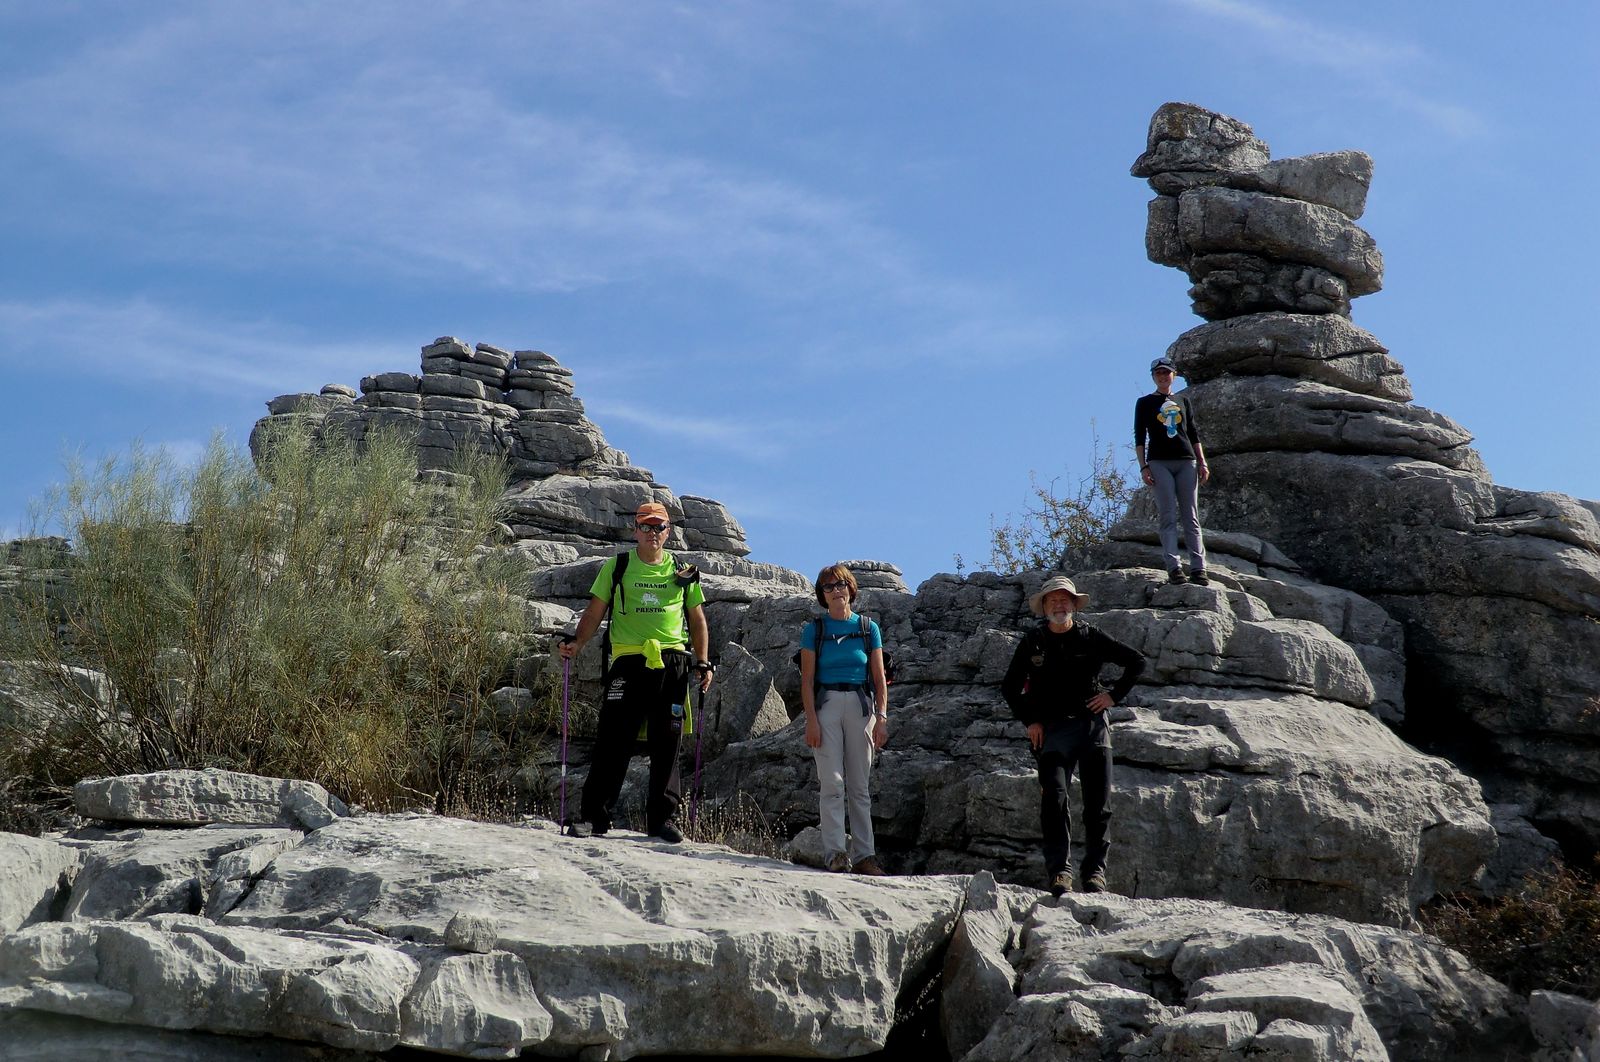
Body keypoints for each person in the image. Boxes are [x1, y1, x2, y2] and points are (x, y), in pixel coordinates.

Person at [560, 501, 714, 844]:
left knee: (667, 743)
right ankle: (593, 818)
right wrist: (577, 643)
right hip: (629, 662)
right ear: (635, 530)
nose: (652, 533)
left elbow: (698, 620)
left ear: (668, 532)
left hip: (672, 663)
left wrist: (702, 662)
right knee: (613, 739)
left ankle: (662, 821)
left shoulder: (683, 571)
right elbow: (595, 610)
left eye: (659, 527)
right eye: (646, 526)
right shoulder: (618, 567)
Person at [1001, 574, 1144, 897]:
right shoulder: (1032, 641)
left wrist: (1113, 696)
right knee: (1054, 798)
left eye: (1065, 600)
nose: (1060, 605)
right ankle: (1059, 873)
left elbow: (1136, 662)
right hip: (1051, 730)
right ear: (1044, 607)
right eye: (1053, 600)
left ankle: (1095, 873)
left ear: (1075, 605)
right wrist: (1031, 721)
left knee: (1098, 805)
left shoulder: (1090, 636)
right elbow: (1009, 687)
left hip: (1091, 726)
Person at [799, 563, 890, 876]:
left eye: (841, 585)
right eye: (829, 587)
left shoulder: (868, 628)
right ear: (822, 595)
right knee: (832, 783)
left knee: (860, 787)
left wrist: (882, 717)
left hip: (861, 707)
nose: (836, 590)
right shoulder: (815, 629)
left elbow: (879, 678)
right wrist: (810, 720)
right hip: (827, 706)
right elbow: (807, 680)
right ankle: (836, 855)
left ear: (851, 589)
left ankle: (865, 857)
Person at [1134, 355, 1211, 586]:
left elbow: (1193, 434)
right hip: (1158, 462)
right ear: (1153, 377)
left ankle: (1199, 568)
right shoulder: (1145, 402)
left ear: (1173, 375)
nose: (1163, 376)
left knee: (1191, 516)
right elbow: (1139, 437)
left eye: (1166, 372)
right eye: (1158, 373)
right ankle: (1174, 567)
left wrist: (1202, 461)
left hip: (1186, 460)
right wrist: (1143, 466)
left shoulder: (1183, 401)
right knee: (1167, 516)